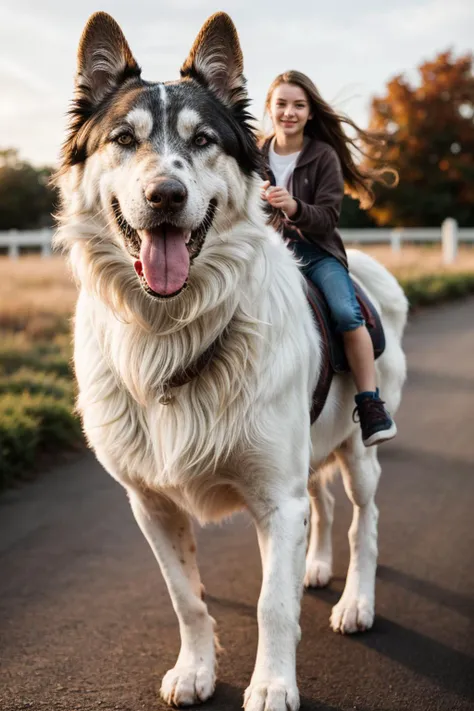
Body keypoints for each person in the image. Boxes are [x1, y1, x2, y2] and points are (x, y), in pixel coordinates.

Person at [260, 70, 397, 447]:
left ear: (310, 113)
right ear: (269, 109)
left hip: (317, 253)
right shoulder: (253, 156)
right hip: (267, 252)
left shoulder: (323, 157)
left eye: (298, 105)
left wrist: (293, 206)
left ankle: (370, 404)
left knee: (346, 313)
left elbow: (327, 219)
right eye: (282, 104)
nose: (289, 112)